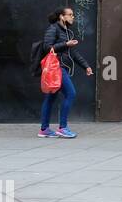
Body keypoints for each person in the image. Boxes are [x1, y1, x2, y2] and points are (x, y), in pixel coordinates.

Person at [39, 7, 93, 139]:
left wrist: (85, 66)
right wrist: (65, 44)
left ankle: (44, 129)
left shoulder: (67, 32)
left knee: (50, 98)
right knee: (70, 93)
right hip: (56, 68)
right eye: (70, 15)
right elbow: (47, 47)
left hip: (61, 67)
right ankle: (62, 128)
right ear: (62, 17)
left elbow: (73, 53)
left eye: (73, 15)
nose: (72, 17)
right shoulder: (53, 29)